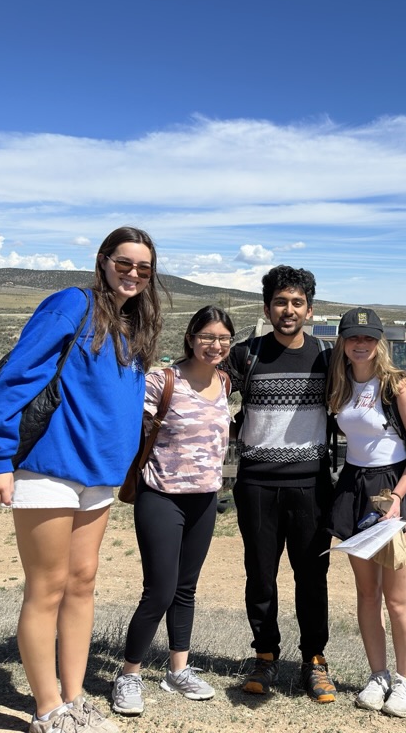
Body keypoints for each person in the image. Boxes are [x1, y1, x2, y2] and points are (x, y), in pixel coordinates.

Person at [0, 227, 166, 733]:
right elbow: (17, 376)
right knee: (48, 586)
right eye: (124, 263)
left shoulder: (134, 326)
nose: (133, 274)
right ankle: (47, 710)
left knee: (82, 583)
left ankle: (75, 697)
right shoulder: (70, 305)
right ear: (103, 261)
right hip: (49, 467)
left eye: (143, 268)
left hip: (99, 475)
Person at [111, 306, 235, 716]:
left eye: (223, 339)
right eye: (207, 337)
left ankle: (177, 670)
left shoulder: (224, 382)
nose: (215, 345)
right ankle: (128, 674)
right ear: (190, 338)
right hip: (160, 496)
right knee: (159, 591)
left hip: (204, 499)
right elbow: (128, 429)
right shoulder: (161, 381)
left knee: (186, 589)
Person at [224, 265, 338, 703]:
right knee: (261, 575)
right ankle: (265, 656)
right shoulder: (245, 354)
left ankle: (315, 660)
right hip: (256, 484)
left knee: (312, 576)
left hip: (311, 484)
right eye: (279, 302)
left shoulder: (328, 357)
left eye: (296, 303)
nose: (287, 310)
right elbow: (209, 393)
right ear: (267, 306)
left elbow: (367, 394)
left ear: (310, 310)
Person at [326, 306, 406, 719]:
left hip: (394, 488)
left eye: (368, 338)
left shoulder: (396, 384)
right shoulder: (338, 382)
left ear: (379, 341)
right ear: (343, 341)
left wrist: (400, 496)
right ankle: (378, 675)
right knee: (367, 595)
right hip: (354, 487)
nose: (361, 345)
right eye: (353, 337)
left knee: (397, 598)